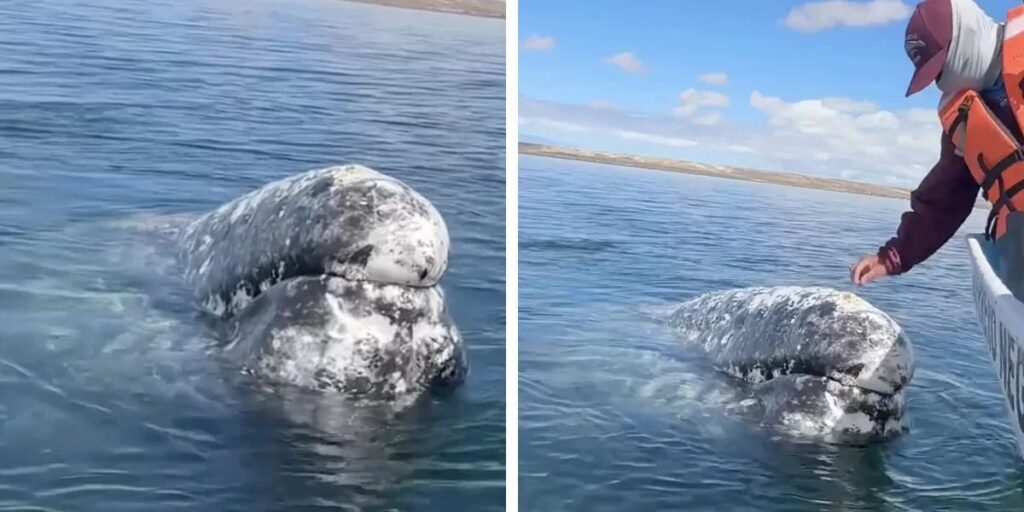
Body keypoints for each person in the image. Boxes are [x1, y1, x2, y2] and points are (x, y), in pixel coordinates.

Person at [850, 0, 1024, 286]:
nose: (939, 81)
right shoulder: (967, 120)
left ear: (964, 41)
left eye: (940, 66)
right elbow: (945, 199)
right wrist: (893, 257)